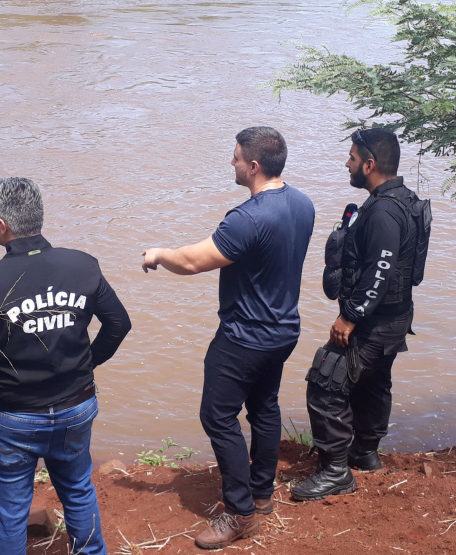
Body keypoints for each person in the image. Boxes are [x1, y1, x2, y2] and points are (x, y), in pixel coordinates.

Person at [142, 127, 315, 549]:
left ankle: (240, 513)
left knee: (217, 417)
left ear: (254, 166)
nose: (231, 163)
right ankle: (261, 496)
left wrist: (159, 254)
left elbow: (192, 261)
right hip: (283, 330)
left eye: (236, 157)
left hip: (244, 337)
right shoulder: (302, 203)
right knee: (264, 408)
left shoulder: (248, 218)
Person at [0, 177, 131, 555]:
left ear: (2, 225)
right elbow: (118, 324)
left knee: (11, 513)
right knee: (78, 488)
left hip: (10, 418)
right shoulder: (82, 265)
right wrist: (86, 366)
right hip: (75, 407)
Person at [291, 128, 426, 501]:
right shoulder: (403, 200)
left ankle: (336, 472)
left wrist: (350, 317)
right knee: (373, 381)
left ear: (369, 164)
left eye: (351, 158)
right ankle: (364, 454)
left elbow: (380, 271)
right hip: (394, 318)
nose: (346, 164)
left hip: (374, 320)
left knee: (326, 378)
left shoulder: (383, 210)